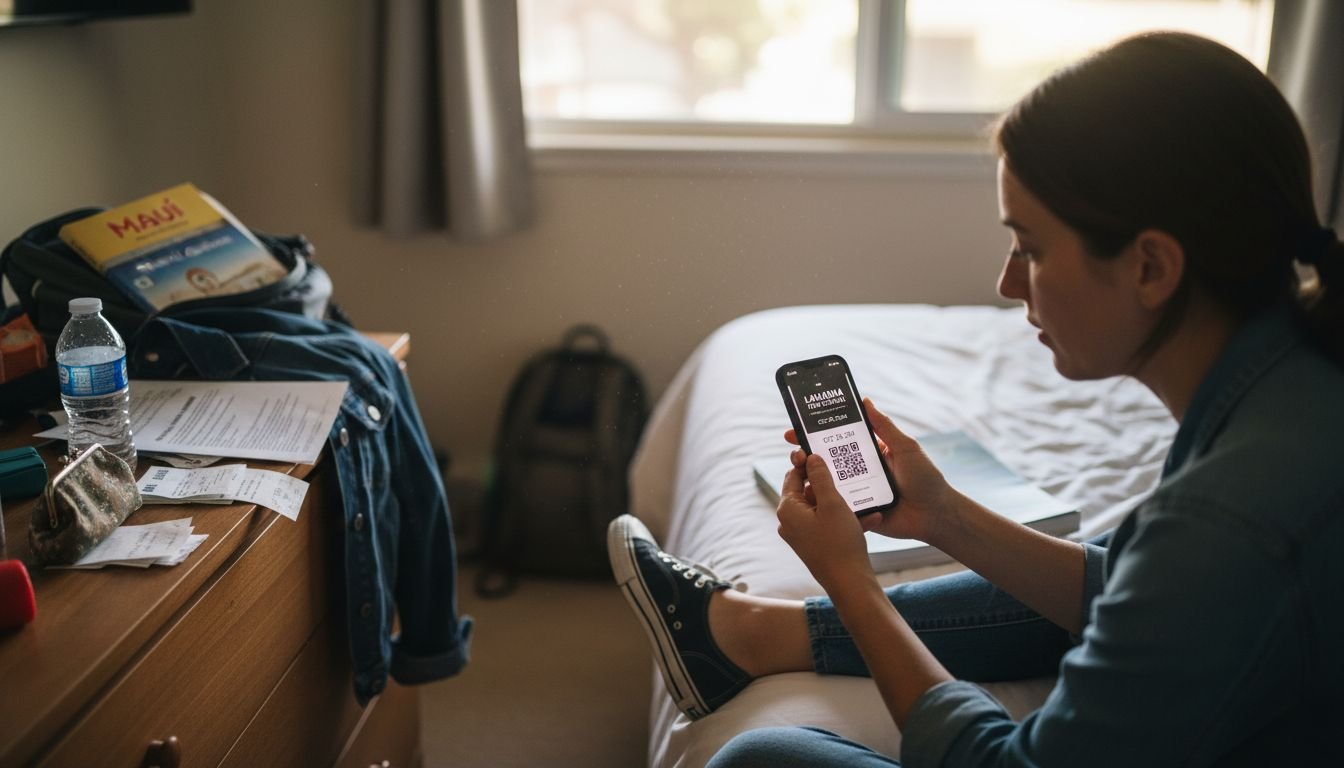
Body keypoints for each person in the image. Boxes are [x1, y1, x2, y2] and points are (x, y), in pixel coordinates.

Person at [607, 31, 1343, 766]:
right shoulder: (1289, 384)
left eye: (1030, 247)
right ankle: (753, 635)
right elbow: (1134, 585)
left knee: (757, 760)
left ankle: (756, 637)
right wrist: (944, 515)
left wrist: (852, 585)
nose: (1006, 285)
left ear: (1151, 266)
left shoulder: (1228, 519)